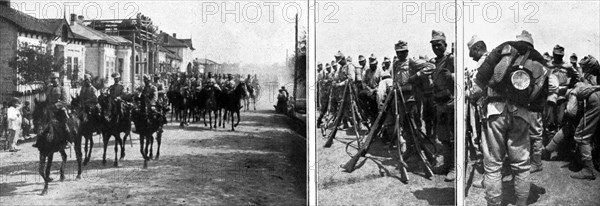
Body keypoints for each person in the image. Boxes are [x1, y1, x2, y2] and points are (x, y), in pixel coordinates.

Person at [470, 30, 549, 206]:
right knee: (521, 165)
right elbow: (541, 100)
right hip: (521, 114)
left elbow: (481, 78)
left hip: (496, 110)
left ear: (518, 40)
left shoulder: (505, 47)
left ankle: (494, 203)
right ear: (531, 44)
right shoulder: (540, 61)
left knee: (493, 164)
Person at [429, 30, 456, 181]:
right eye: (433, 45)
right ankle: (446, 165)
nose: (436, 48)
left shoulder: (451, 59)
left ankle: (453, 168)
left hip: (450, 103)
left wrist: (451, 76)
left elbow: (462, 77)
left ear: (445, 45)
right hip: (440, 103)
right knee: (443, 137)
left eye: (439, 45)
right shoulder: (436, 62)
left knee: (452, 137)